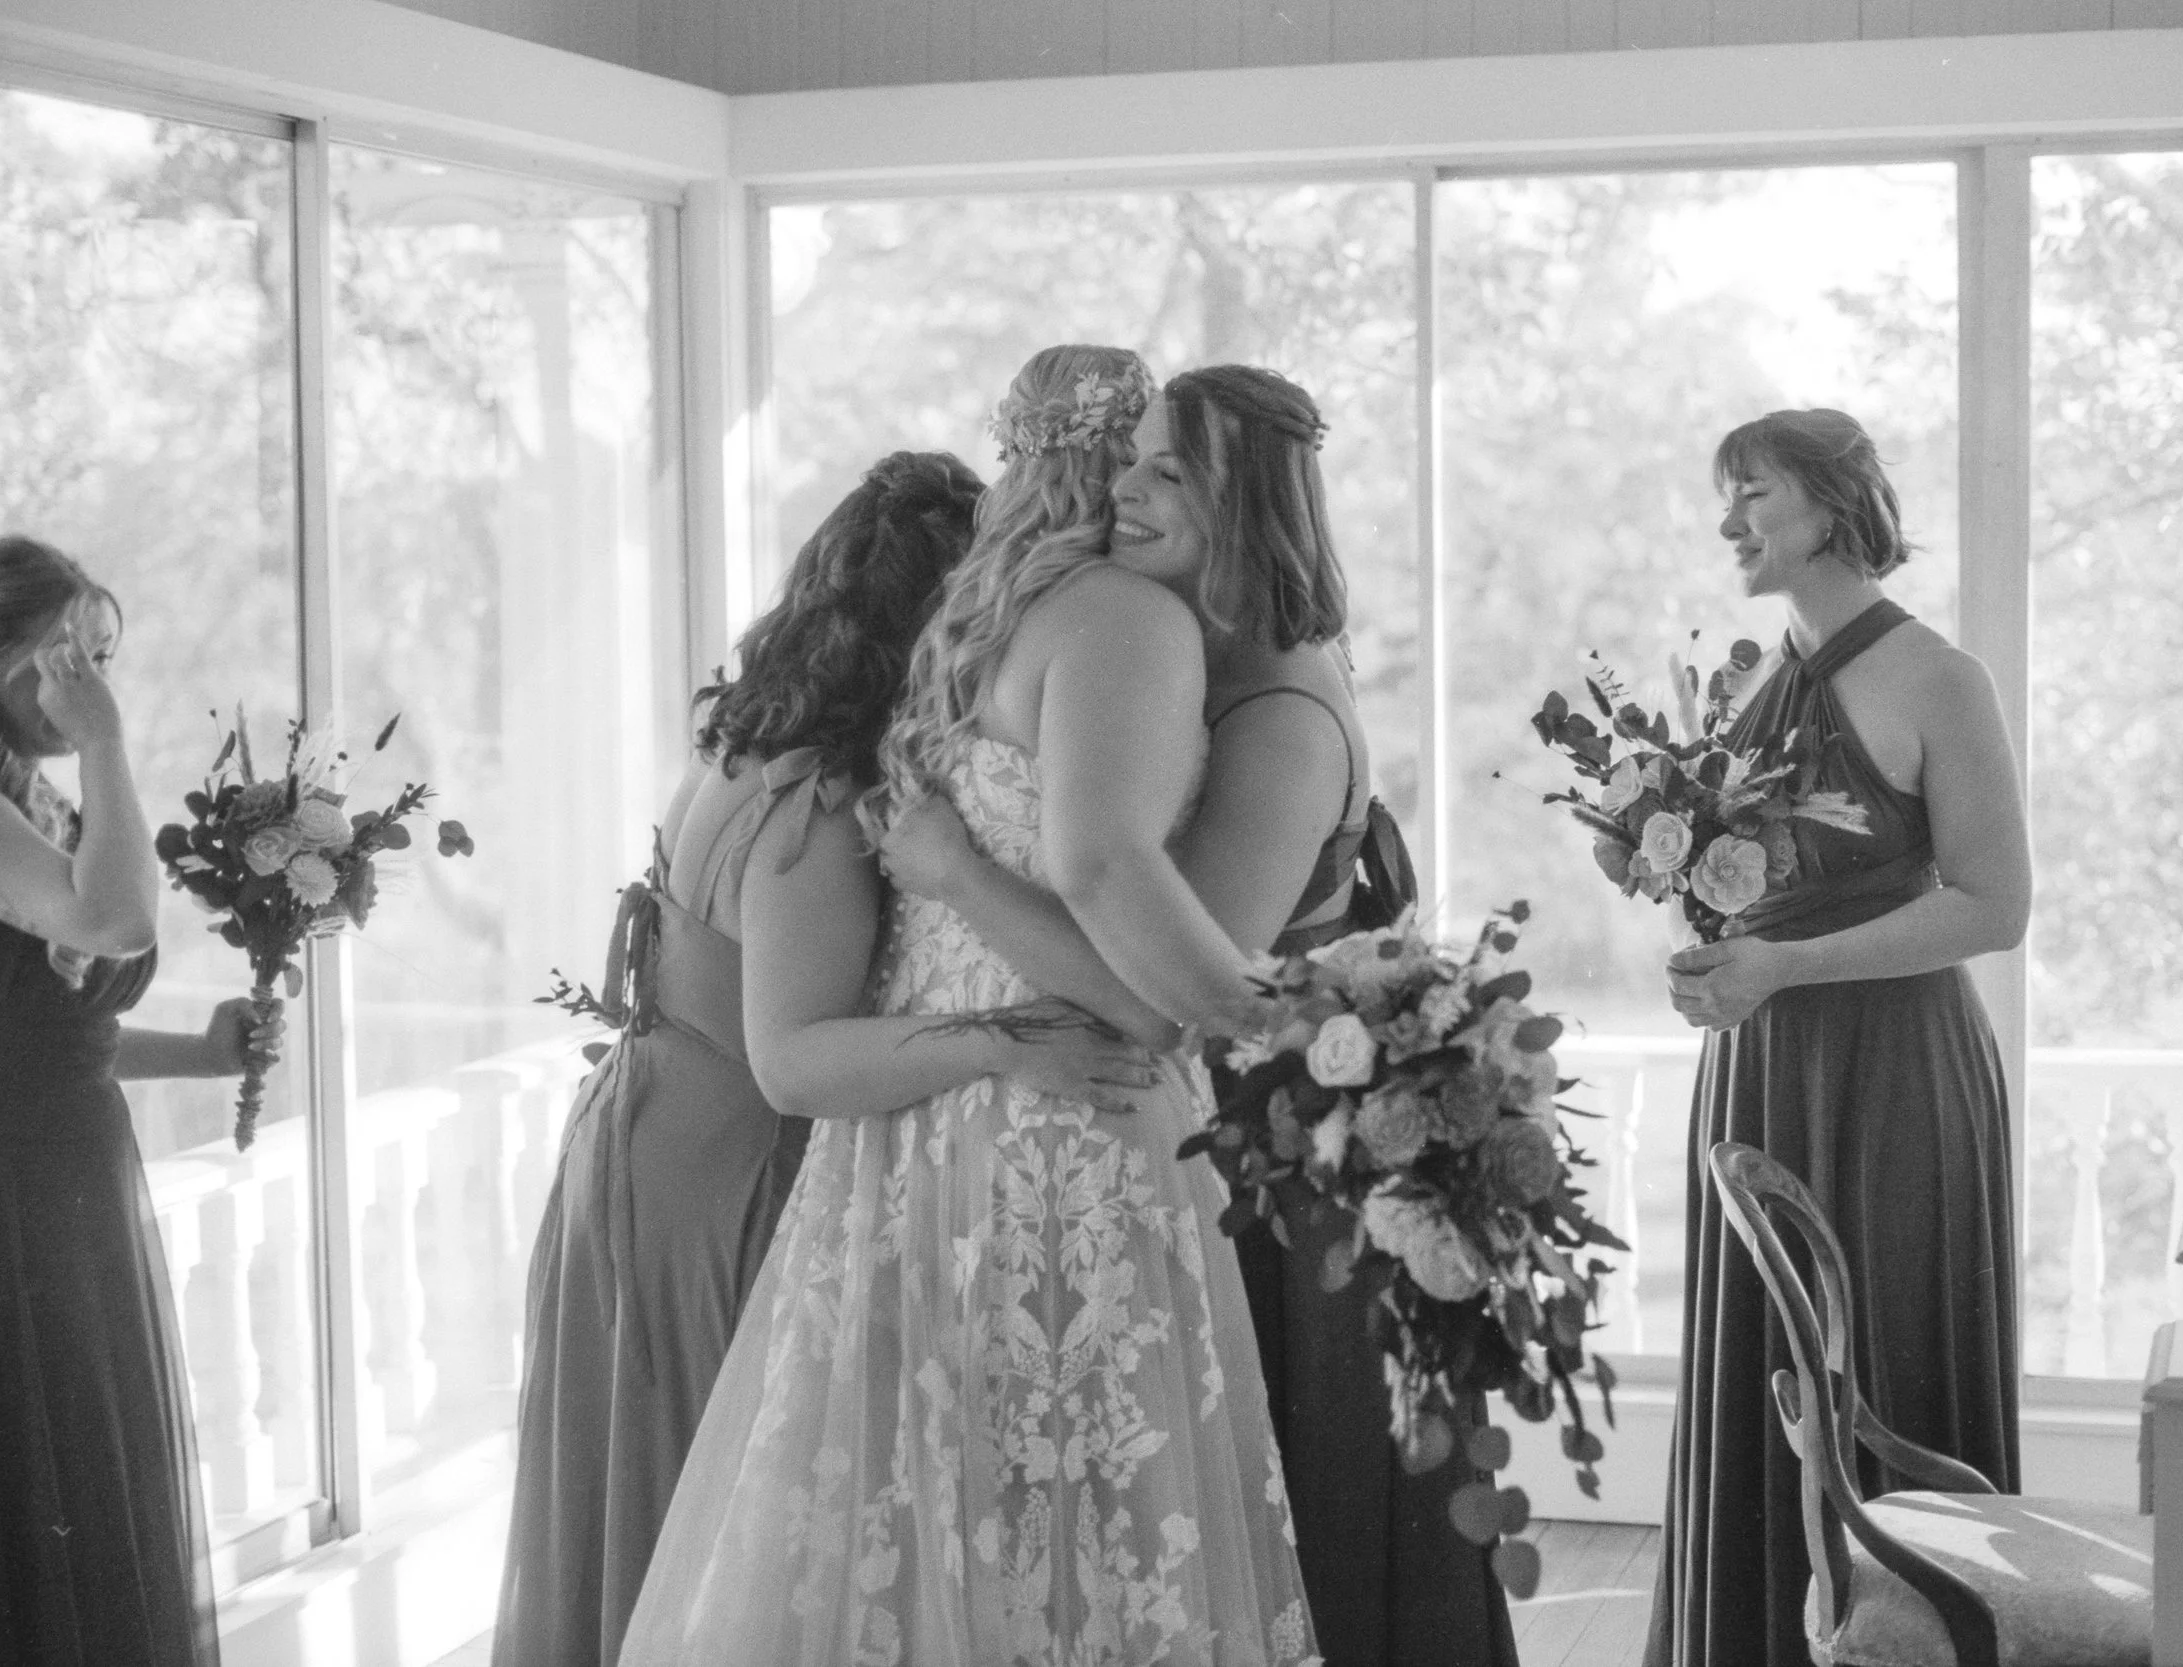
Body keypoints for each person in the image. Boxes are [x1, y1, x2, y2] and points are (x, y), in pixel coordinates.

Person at [619, 346, 1318, 1667]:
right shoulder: (1123, 620)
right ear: (1113, 461)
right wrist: (1218, 1013)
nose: (1150, 487)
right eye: (1147, 459)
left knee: (925, 1511)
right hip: (1060, 1120)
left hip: (906, 1135)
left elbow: (954, 872)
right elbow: (1101, 871)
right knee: (1076, 1524)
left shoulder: (967, 624)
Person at [877, 365, 1512, 1667]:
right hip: (1217, 1133)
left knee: (1298, 1508)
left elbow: (1184, 987)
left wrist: (960, 877)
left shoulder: (1278, 707)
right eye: (1132, 460)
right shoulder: (1180, 648)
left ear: (1249, 506)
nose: (1128, 488)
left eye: (1171, 473)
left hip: (1286, 1158)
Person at [493, 453, 1164, 1667]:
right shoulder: (820, 794)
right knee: (724, 1533)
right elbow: (791, 1062)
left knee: (636, 1514)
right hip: (723, 1175)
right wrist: (999, 1045)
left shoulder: (749, 742)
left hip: (644, 1135)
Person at [1643, 410, 2027, 1667]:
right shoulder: (1758, 683)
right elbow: (1755, 878)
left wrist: (1783, 963)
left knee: (1887, 1352)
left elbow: (1993, 903)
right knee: (1767, 1363)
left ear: (1828, 503)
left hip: (1896, 1078)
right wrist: (1704, 935)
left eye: (1750, 493)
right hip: (1760, 1065)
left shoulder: (1938, 678)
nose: (1727, 522)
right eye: (1726, 497)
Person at [0, 533, 277, 1666]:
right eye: (64, 659)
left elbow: (44, 1035)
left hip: (71, 1182)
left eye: (100, 659)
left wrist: (199, 1054)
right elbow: (116, 922)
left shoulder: (25, 800)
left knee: (96, 1482)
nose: (87, 685)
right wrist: (108, 743)